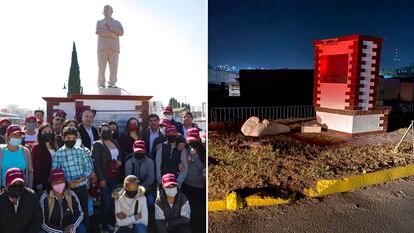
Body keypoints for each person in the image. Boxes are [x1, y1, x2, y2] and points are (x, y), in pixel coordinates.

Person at [52, 126, 94, 231]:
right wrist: (66, 182)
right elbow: (55, 172)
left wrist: (82, 178)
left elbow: (89, 166)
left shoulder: (81, 151)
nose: (71, 140)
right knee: (71, 213)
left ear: (76, 139)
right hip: (67, 190)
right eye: (68, 138)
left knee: (84, 211)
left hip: (81, 187)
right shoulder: (58, 154)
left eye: (73, 138)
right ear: (63, 138)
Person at [92, 123, 122, 232]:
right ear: (100, 133)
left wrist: (119, 160)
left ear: (111, 131)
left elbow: (120, 154)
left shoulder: (115, 142)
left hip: (114, 176)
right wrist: (101, 179)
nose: (106, 133)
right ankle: (103, 226)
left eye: (108, 130)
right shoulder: (97, 144)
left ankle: (111, 223)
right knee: (106, 202)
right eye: (103, 131)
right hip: (104, 177)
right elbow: (96, 163)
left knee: (113, 201)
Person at [39, 168, 86, 233]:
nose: (58, 184)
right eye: (56, 182)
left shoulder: (71, 195)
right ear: (51, 183)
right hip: (53, 230)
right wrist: (62, 231)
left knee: (82, 228)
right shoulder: (45, 198)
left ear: (65, 182)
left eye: (61, 181)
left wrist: (72, 226)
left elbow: (80, 213)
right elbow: (42, 222)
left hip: (69, 228)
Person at [0, 168, 42, 233]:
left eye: (20, 184)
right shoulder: (1, 200)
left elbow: (37, 220)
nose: (17, 187)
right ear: (6, 185)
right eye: (14, 184)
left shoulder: (32, 196)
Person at [181, 128, 206, 233]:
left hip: (200, 188)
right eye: (189, 140)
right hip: (187, 185)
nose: (191, 142)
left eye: (193, 140)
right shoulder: (184, 150)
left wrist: (205, 176)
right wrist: (180, 163)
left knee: (198, 212)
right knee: (189, 211)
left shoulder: (204, 151)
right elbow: (181, 161)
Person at [96, 5, 124, 88]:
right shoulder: (99, 22)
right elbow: (98, 32)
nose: (106, 11)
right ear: (102, 12)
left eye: (108, 10)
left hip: (114, 48)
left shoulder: (117, 23)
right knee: (101, 67)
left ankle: (112, 83)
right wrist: (113, 35)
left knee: (114, 68)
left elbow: (121, 32)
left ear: (112, 12)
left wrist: (110, 27)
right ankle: (101, 83)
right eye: (104, 10)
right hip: (102, 48)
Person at [125, 140, 155, 206]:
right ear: (133, 150)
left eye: (141, 151)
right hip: (131, 187)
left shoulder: (150, 161)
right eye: (137, 151)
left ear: (144, 150)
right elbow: (128, 178)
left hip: (146, 186)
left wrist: (141, 188)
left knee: (150, 201)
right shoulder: (128, 161)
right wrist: (135, 188)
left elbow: (151, 179)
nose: (139, 152)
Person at [32, 124, 58, 196]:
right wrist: (39, 184)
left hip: (54, 180)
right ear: (40, 134)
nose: (48, 133)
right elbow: (35, 167)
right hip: (43, 183)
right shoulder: (37, 147)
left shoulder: (54, 145)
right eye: (45, 131)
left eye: (50, 131)